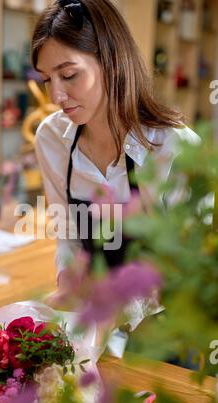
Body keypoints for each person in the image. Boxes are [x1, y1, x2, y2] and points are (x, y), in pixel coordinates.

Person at [31, 0, 200, 313]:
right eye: (46, 79)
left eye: (68, 75)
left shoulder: (174, 149)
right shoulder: (51, 139)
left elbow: (191, 271)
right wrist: (68, 281)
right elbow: (68, 234)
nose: (55, 96)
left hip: (161, 333)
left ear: (112, 62)